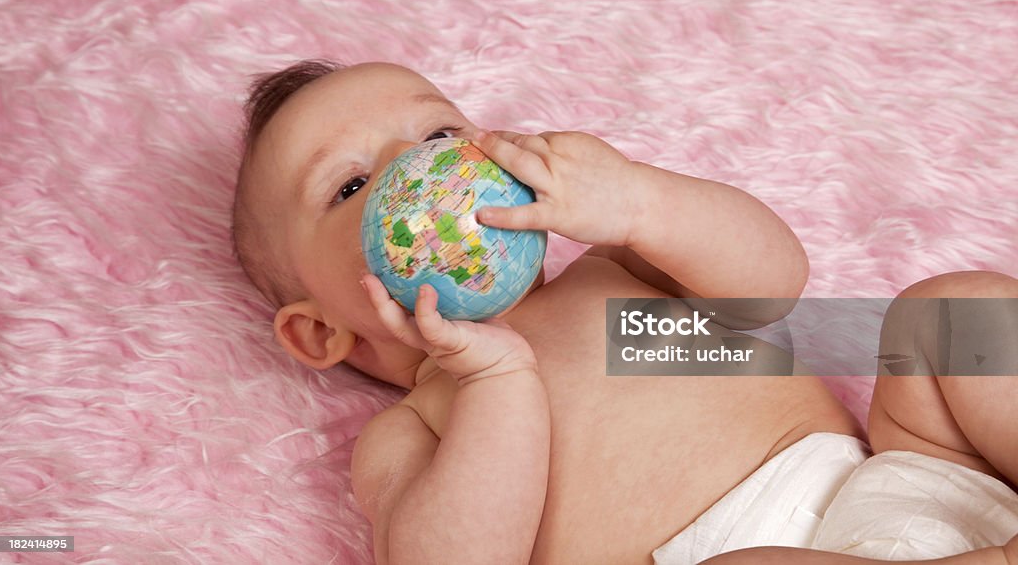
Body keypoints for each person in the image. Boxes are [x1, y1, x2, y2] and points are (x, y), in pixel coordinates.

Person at [230, 59, 1018, 565]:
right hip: (738, 555)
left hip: (901, 486)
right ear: (319, 330)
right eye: (350, 186)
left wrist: (640, 202)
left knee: (949, 316)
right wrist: (494, 379)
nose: (420, 173)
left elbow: (773, 280)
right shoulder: (417, 429)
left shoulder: (611, 273)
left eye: (439, 134)